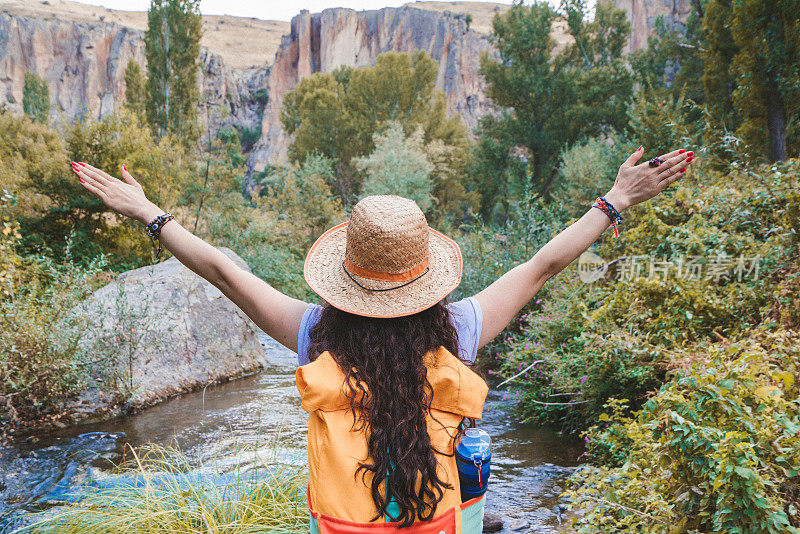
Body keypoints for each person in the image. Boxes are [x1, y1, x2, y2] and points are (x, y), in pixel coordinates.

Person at [71, 145, 693, 533]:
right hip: (440, 518)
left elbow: (225, 273)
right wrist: (613, 201)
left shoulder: (314, 333)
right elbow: (542, 266)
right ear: (425, 274)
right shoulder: (462, 328)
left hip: (345, 525)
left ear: (346, 273)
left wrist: (149, 213)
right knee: (471, 458)